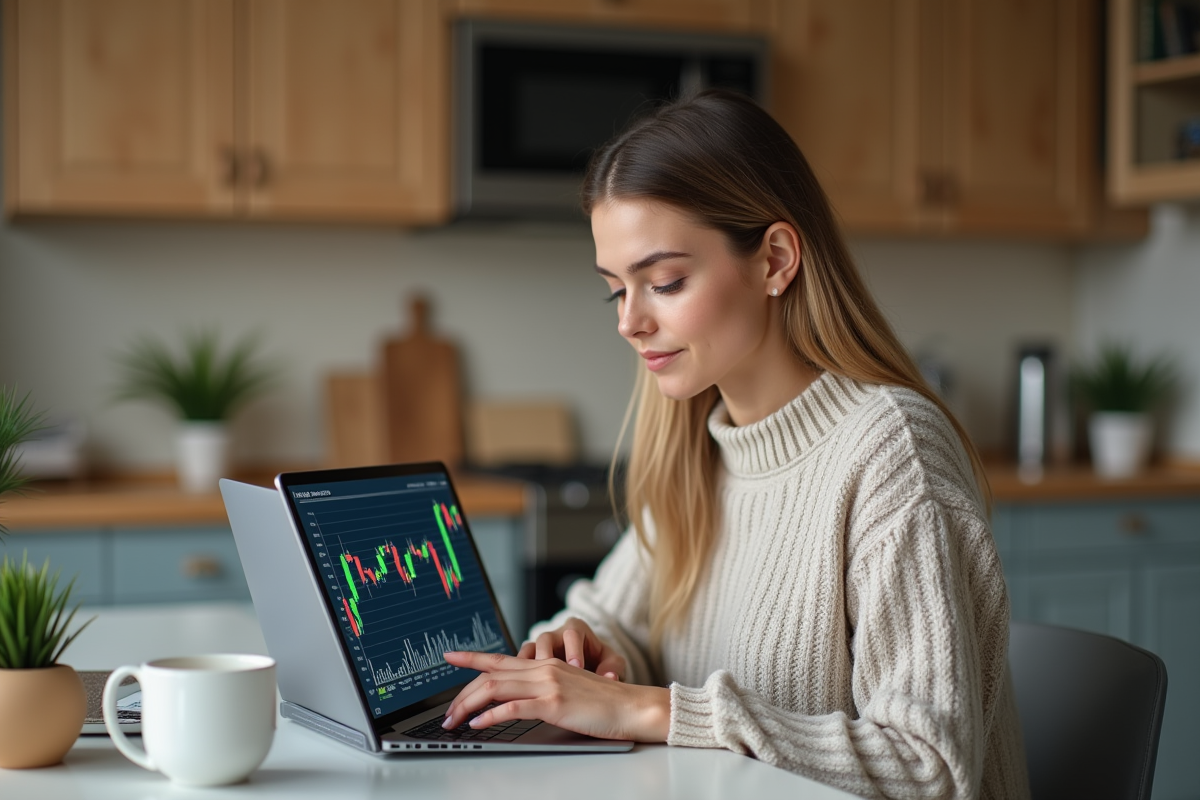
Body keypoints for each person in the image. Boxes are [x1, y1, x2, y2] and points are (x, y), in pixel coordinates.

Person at [443, 88, 1030, 799]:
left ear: (776, 260)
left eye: (665, 281)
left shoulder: (890, 452)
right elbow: (610, 618)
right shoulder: (702, 446)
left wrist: (649, 708)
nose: (630, 322)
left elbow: (928, 765)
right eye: (615, 291)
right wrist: (579, 645)